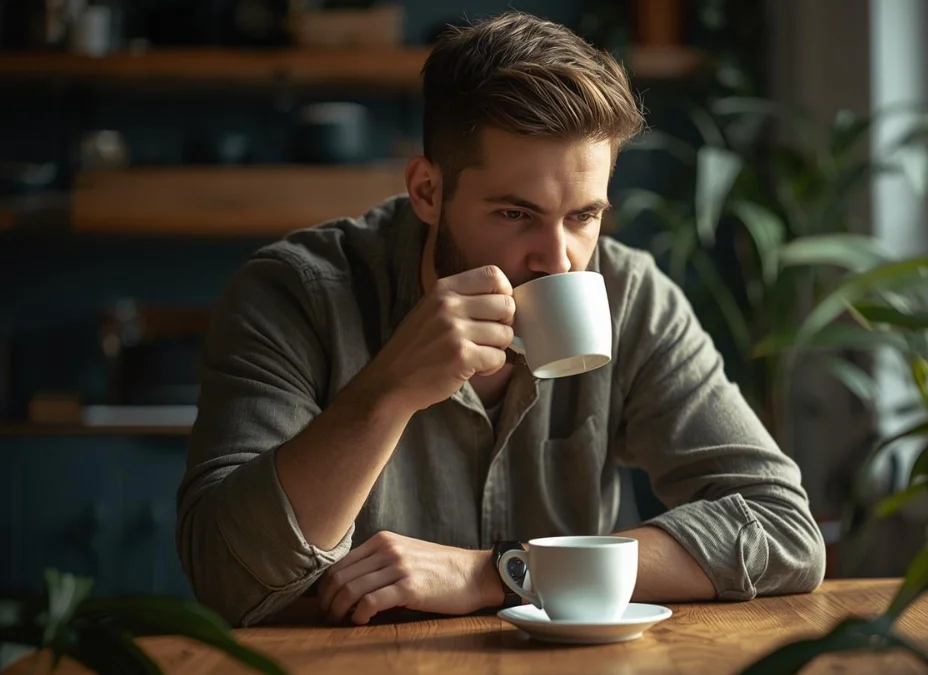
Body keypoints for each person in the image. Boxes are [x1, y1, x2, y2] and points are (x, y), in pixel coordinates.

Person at [176, 11, 825, 628]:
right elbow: (227, 575)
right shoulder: (295, 294)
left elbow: (784, 530)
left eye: (584, 216)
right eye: (516, 214)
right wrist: (389, 391)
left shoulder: (630, 296)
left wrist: (504, 572)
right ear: (427, 191)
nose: (560, 259)